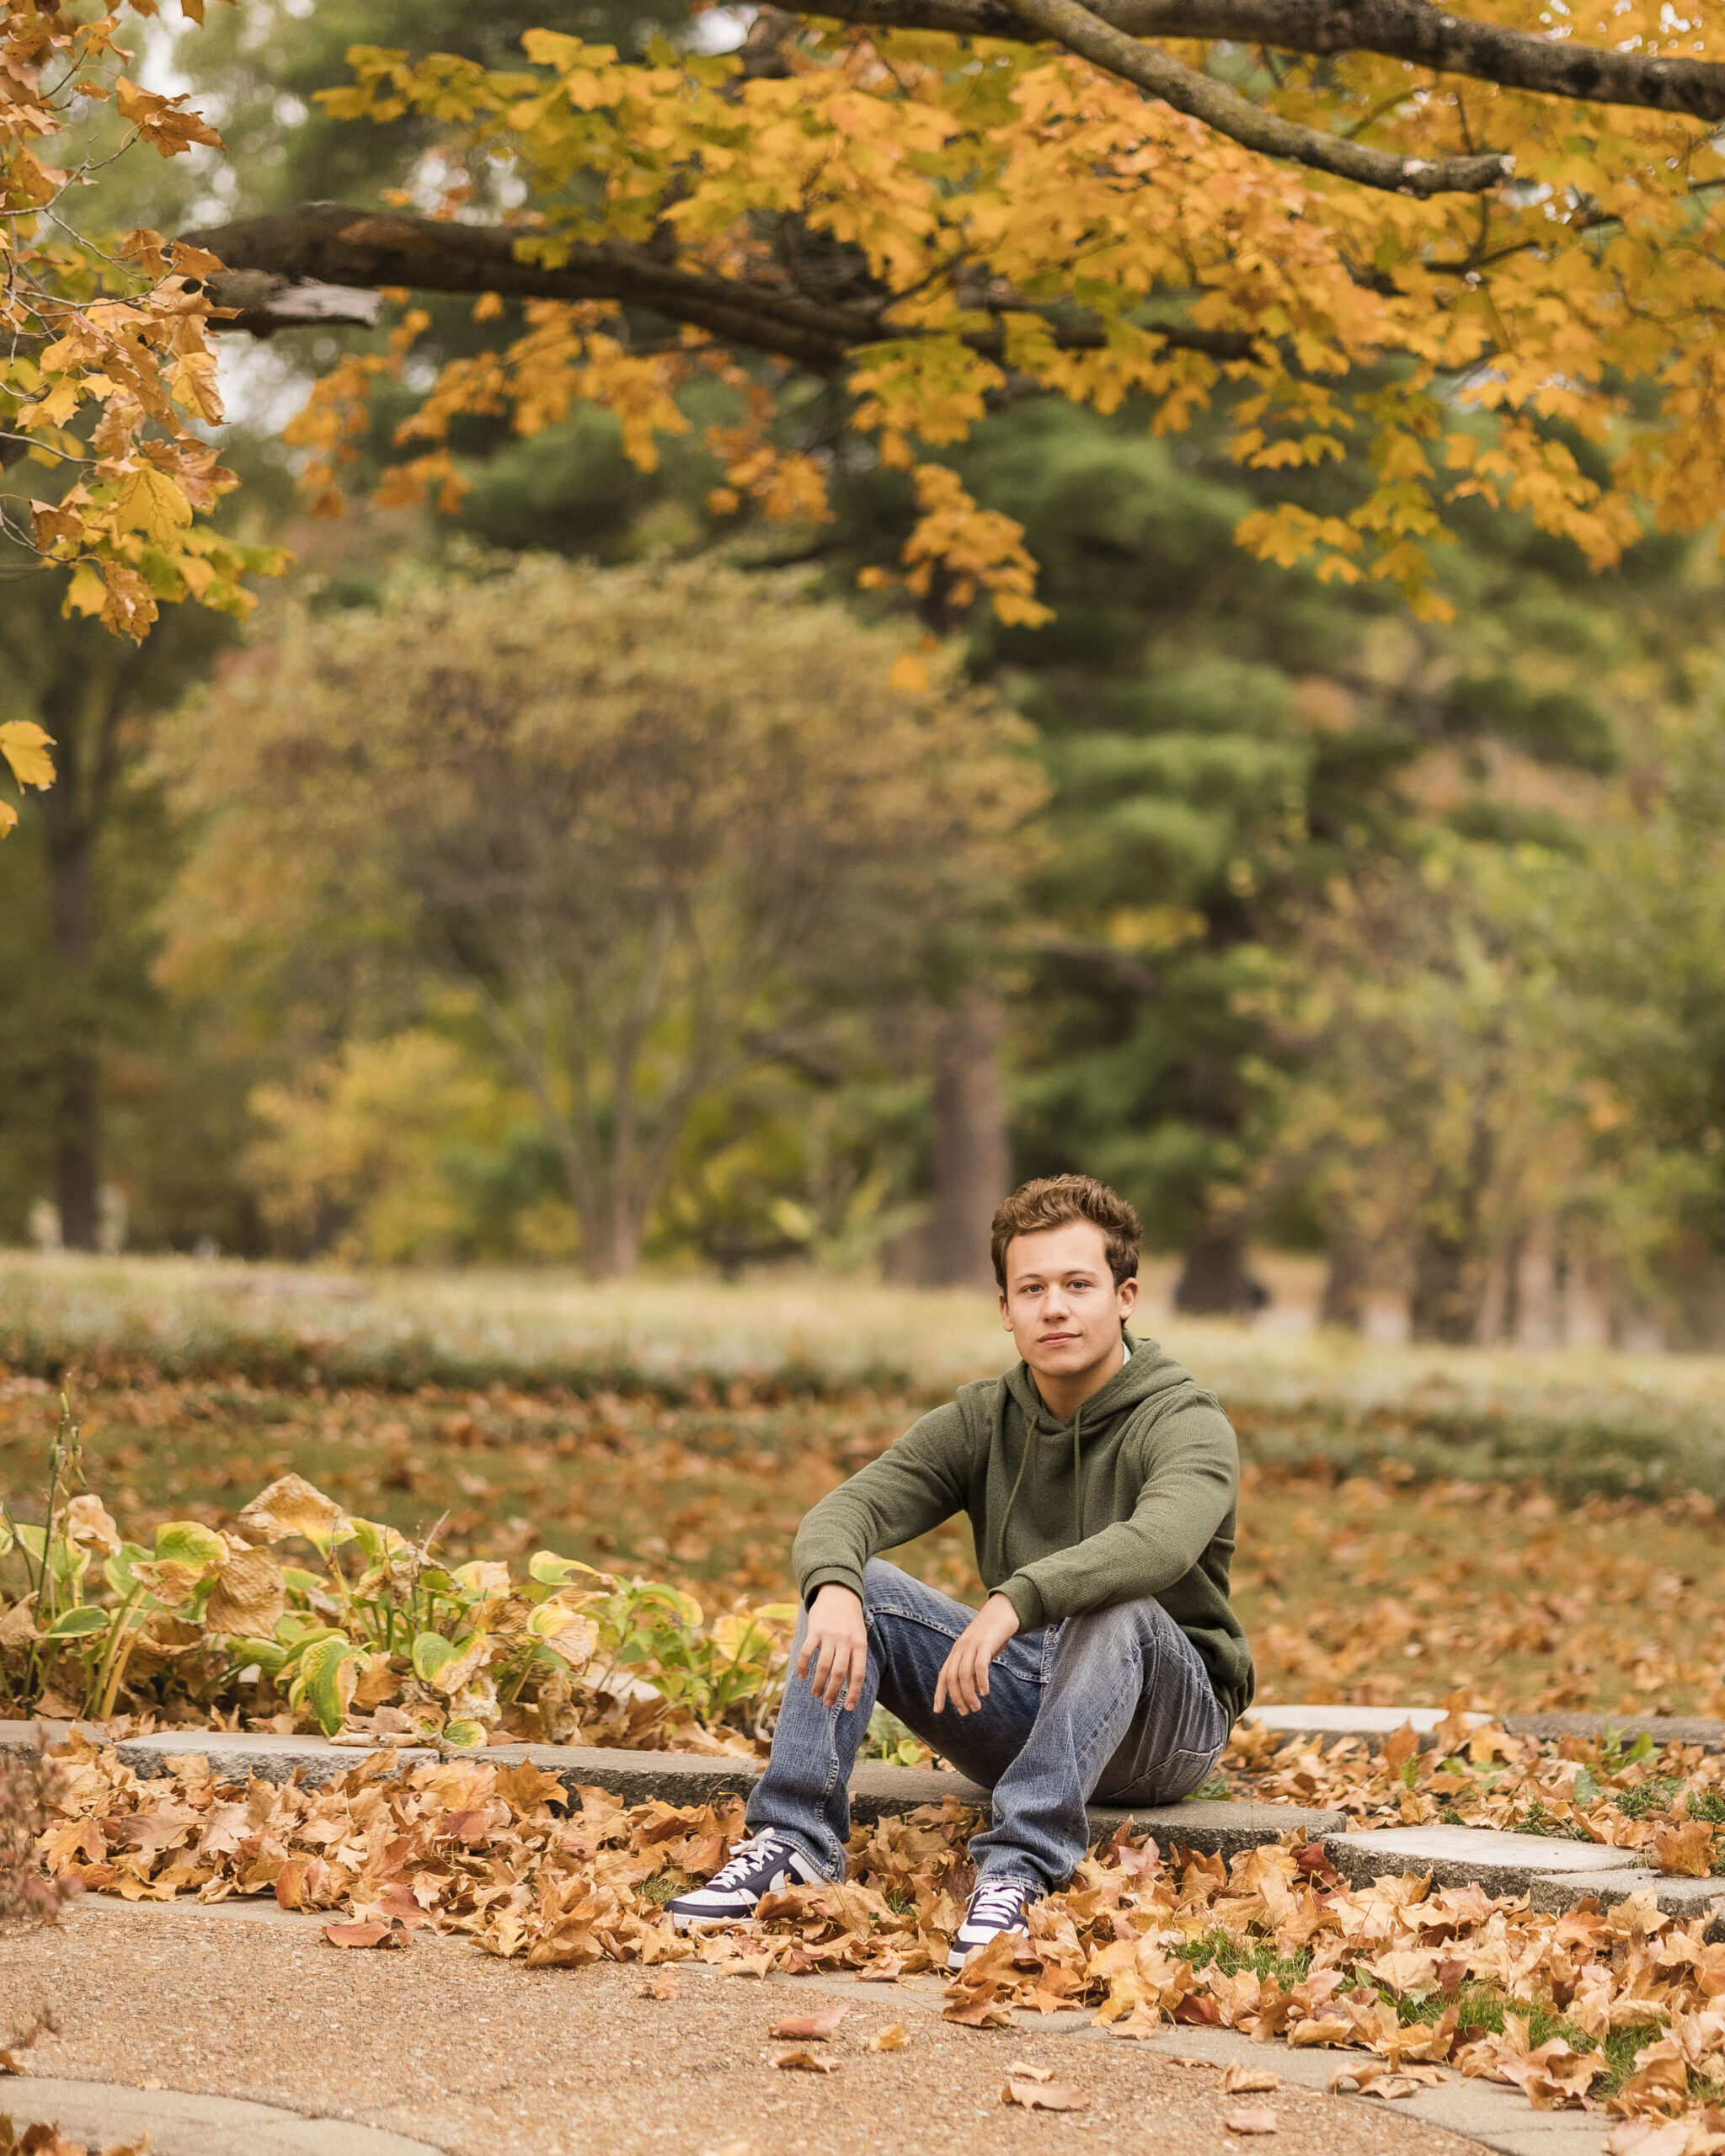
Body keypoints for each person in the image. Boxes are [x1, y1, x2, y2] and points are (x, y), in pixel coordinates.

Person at [668, 1173, 1253, 1970]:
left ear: (1125, 1296)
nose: (1055, 1308)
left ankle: (1018, 1872)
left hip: (1163, 1730)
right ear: (1005, 1310)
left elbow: (1160, 1544)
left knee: (1120, 1604)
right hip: (1033, 1705)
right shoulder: (984, 1419)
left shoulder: (1185, 1420)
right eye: (1032, 1288)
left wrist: (1016, 1600)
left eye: (1079, 1285)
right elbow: (843, 1513)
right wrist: (835, 1587)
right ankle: (795, 1840)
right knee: (858, 1582)